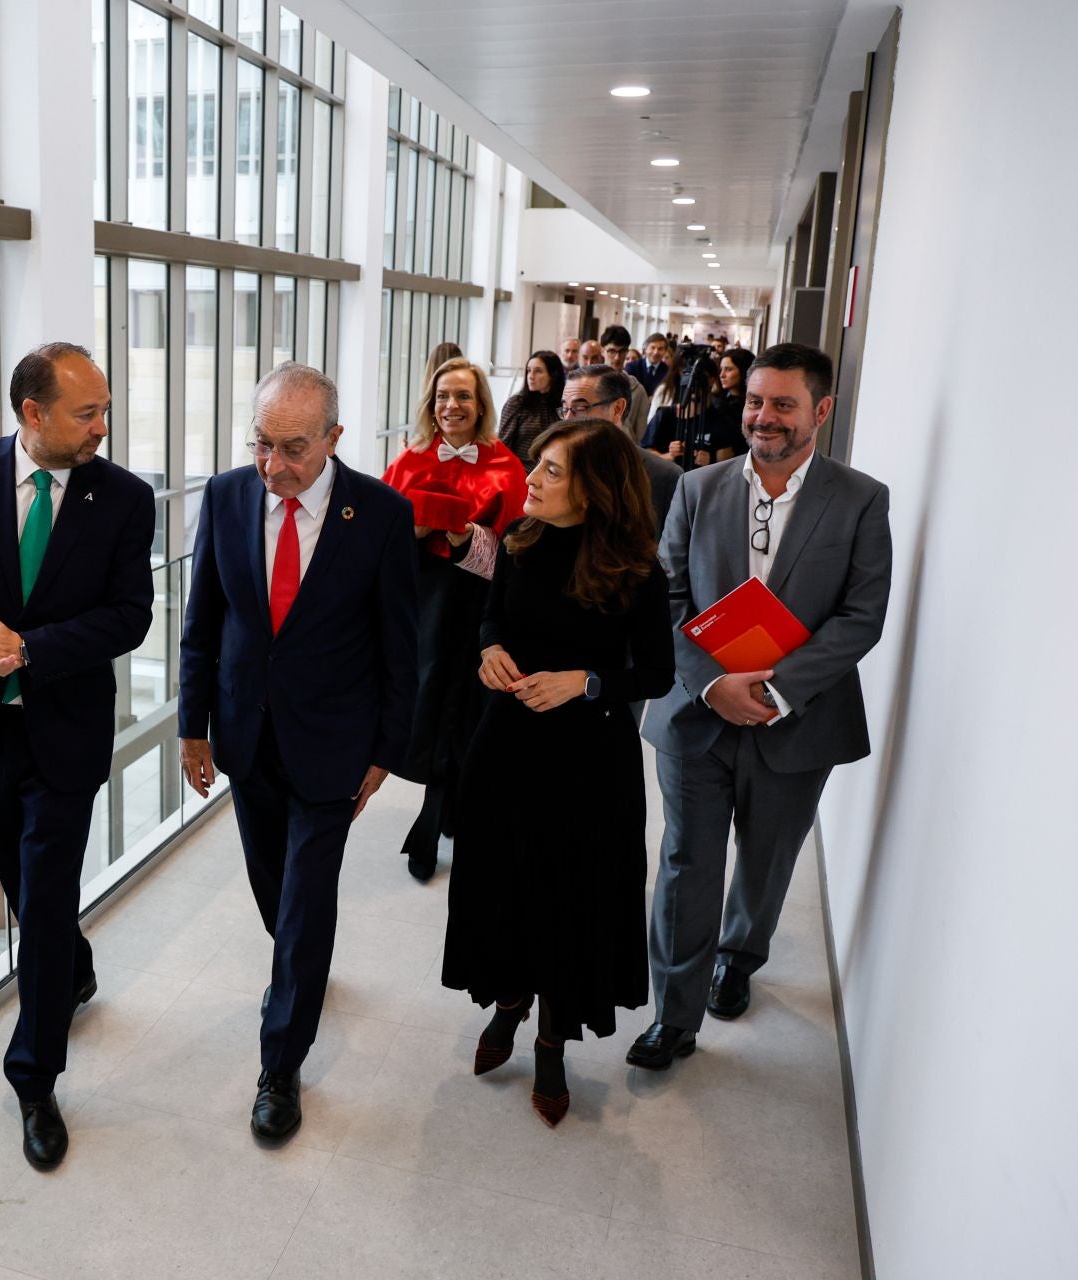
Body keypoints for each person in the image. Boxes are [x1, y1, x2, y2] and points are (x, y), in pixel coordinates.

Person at [0, 342, 157, 1168]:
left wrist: (31, 649)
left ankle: (33, 1079)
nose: (102, 427)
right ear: (32, 413)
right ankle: (72, 964)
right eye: (87, 413)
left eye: (105, 409)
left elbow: (128, 617)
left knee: (43, 900)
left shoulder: (123, 497)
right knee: (25, 884)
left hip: (65, 736)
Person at [629, 342, 893, 1071]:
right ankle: (672, 1019)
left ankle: (739, 958)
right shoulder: (698, 487)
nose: (763, 417)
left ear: (822, 411)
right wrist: (713, 683)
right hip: (696, 714)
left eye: (783, 404)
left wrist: (777, 689)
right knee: (686, 862)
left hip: (799, 720)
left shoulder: (863, 500)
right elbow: (668, 597)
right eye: (753, 401)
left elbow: (861, 615)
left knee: (767, 859)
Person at [178, 362, 418, 1142]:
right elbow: (203, 622)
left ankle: (279, 1066)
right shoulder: (225, 495)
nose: (273, 466)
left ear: (334, 439)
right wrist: (193, 724)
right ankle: (301, 968)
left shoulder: (380, 514)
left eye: (293, 449)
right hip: (247, 734)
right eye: (261, 445)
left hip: (334, 745)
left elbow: (399, 646)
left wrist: (386, 749)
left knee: (307, 900)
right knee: (273, 889)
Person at [442, 418, 672, 1127]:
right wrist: (487, 653)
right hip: (505, 749)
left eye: (550, 471)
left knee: (569, 898)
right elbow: (490, 624)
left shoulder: (636, 571)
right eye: (535, 466)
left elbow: (657, 673)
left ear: (593, 488)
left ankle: (550, 1040)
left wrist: (587, 682)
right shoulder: (519, 541)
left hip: (587, 765)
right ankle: (510, 1004)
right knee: (505, 888)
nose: (531, 479)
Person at [381, 356, 527, 882]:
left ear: (481, 404)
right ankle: (438, 807)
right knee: (427, 702)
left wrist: (465, 536)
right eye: (443, 396)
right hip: (421, 606)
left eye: (463, 396)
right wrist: (413, 535)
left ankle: (438, 816)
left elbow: (516, 555)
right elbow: (378, 540)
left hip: (477, 606)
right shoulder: (409, 459)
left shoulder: (506, 467)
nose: (452, 406)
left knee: (464, 709)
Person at [563, 364, 680, 535]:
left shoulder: (662, 476)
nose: (567, 419)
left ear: (617, 409)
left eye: (580, 409)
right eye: (565, 409)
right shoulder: (558, 466)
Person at [497, 349, 564, 466]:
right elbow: (503, 445)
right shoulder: (517, 403)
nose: (531, 376)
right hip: (521, 472)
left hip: (554, 470)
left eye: (538, 371)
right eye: (529, 371)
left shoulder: (563, 404)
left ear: (553, 375)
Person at [692, 346, 752, 468]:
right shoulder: (716, 401)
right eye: (721, 369)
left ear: (744, 370)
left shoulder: (752, 404)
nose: (722, 375)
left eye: (728, 369)